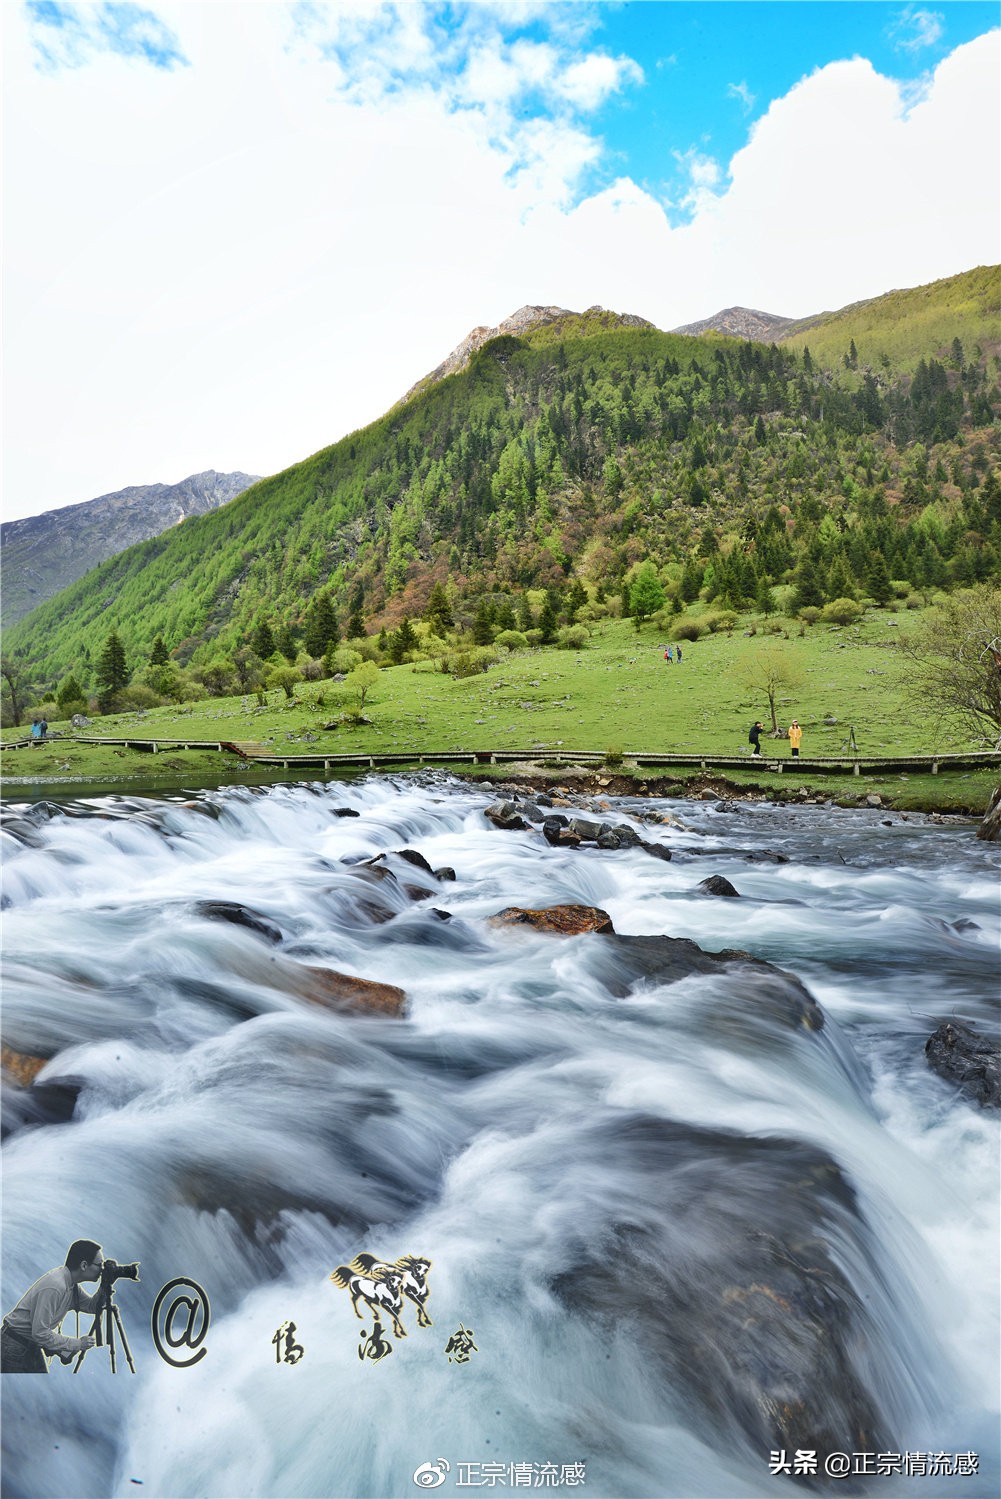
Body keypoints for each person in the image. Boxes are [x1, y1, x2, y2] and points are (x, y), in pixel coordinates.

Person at [1, 1241, 103, 1372]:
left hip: (28, 1343)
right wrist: (78, 1344)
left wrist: (105, 1286)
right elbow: (40, 1334)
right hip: (14, 1345)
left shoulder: (71, 1285)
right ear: (84, 1265)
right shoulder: (56, 1286)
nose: (102, 1270)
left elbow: (92, 1307)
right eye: (100, 1265)